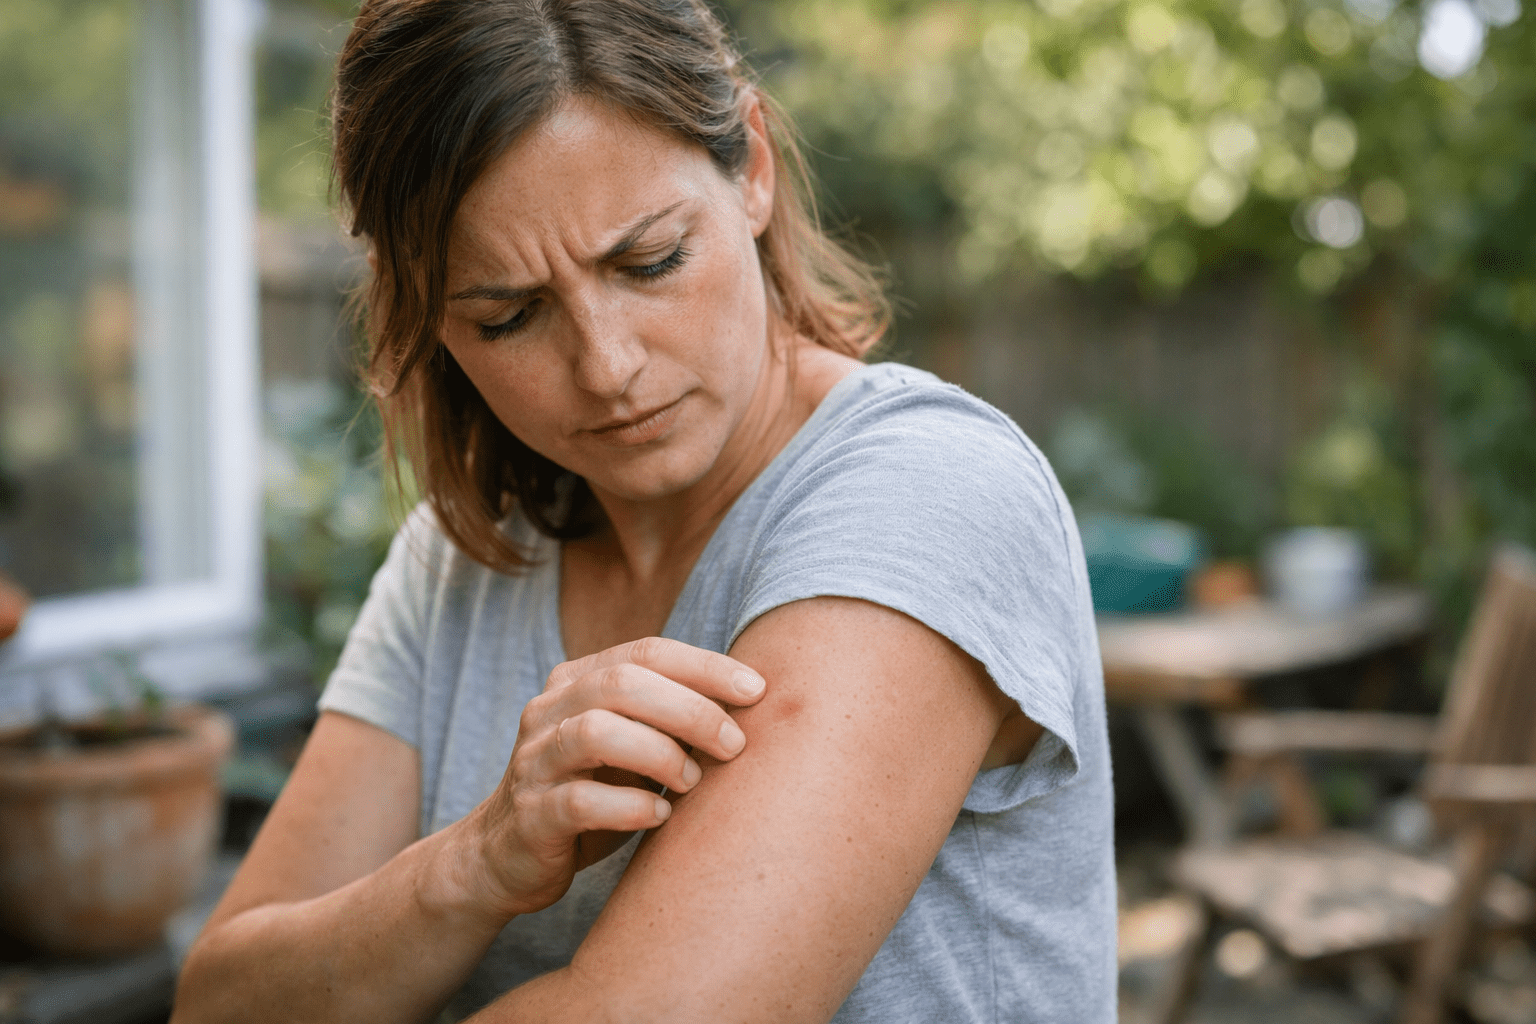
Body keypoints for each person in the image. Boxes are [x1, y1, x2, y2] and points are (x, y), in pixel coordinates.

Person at [171, 1, 1116, 1021]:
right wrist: (473, 867)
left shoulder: (926, 494)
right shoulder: (455, 568)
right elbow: (220, 999)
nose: (607, 366)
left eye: (651, 261)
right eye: (509, 316)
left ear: (751, 165)